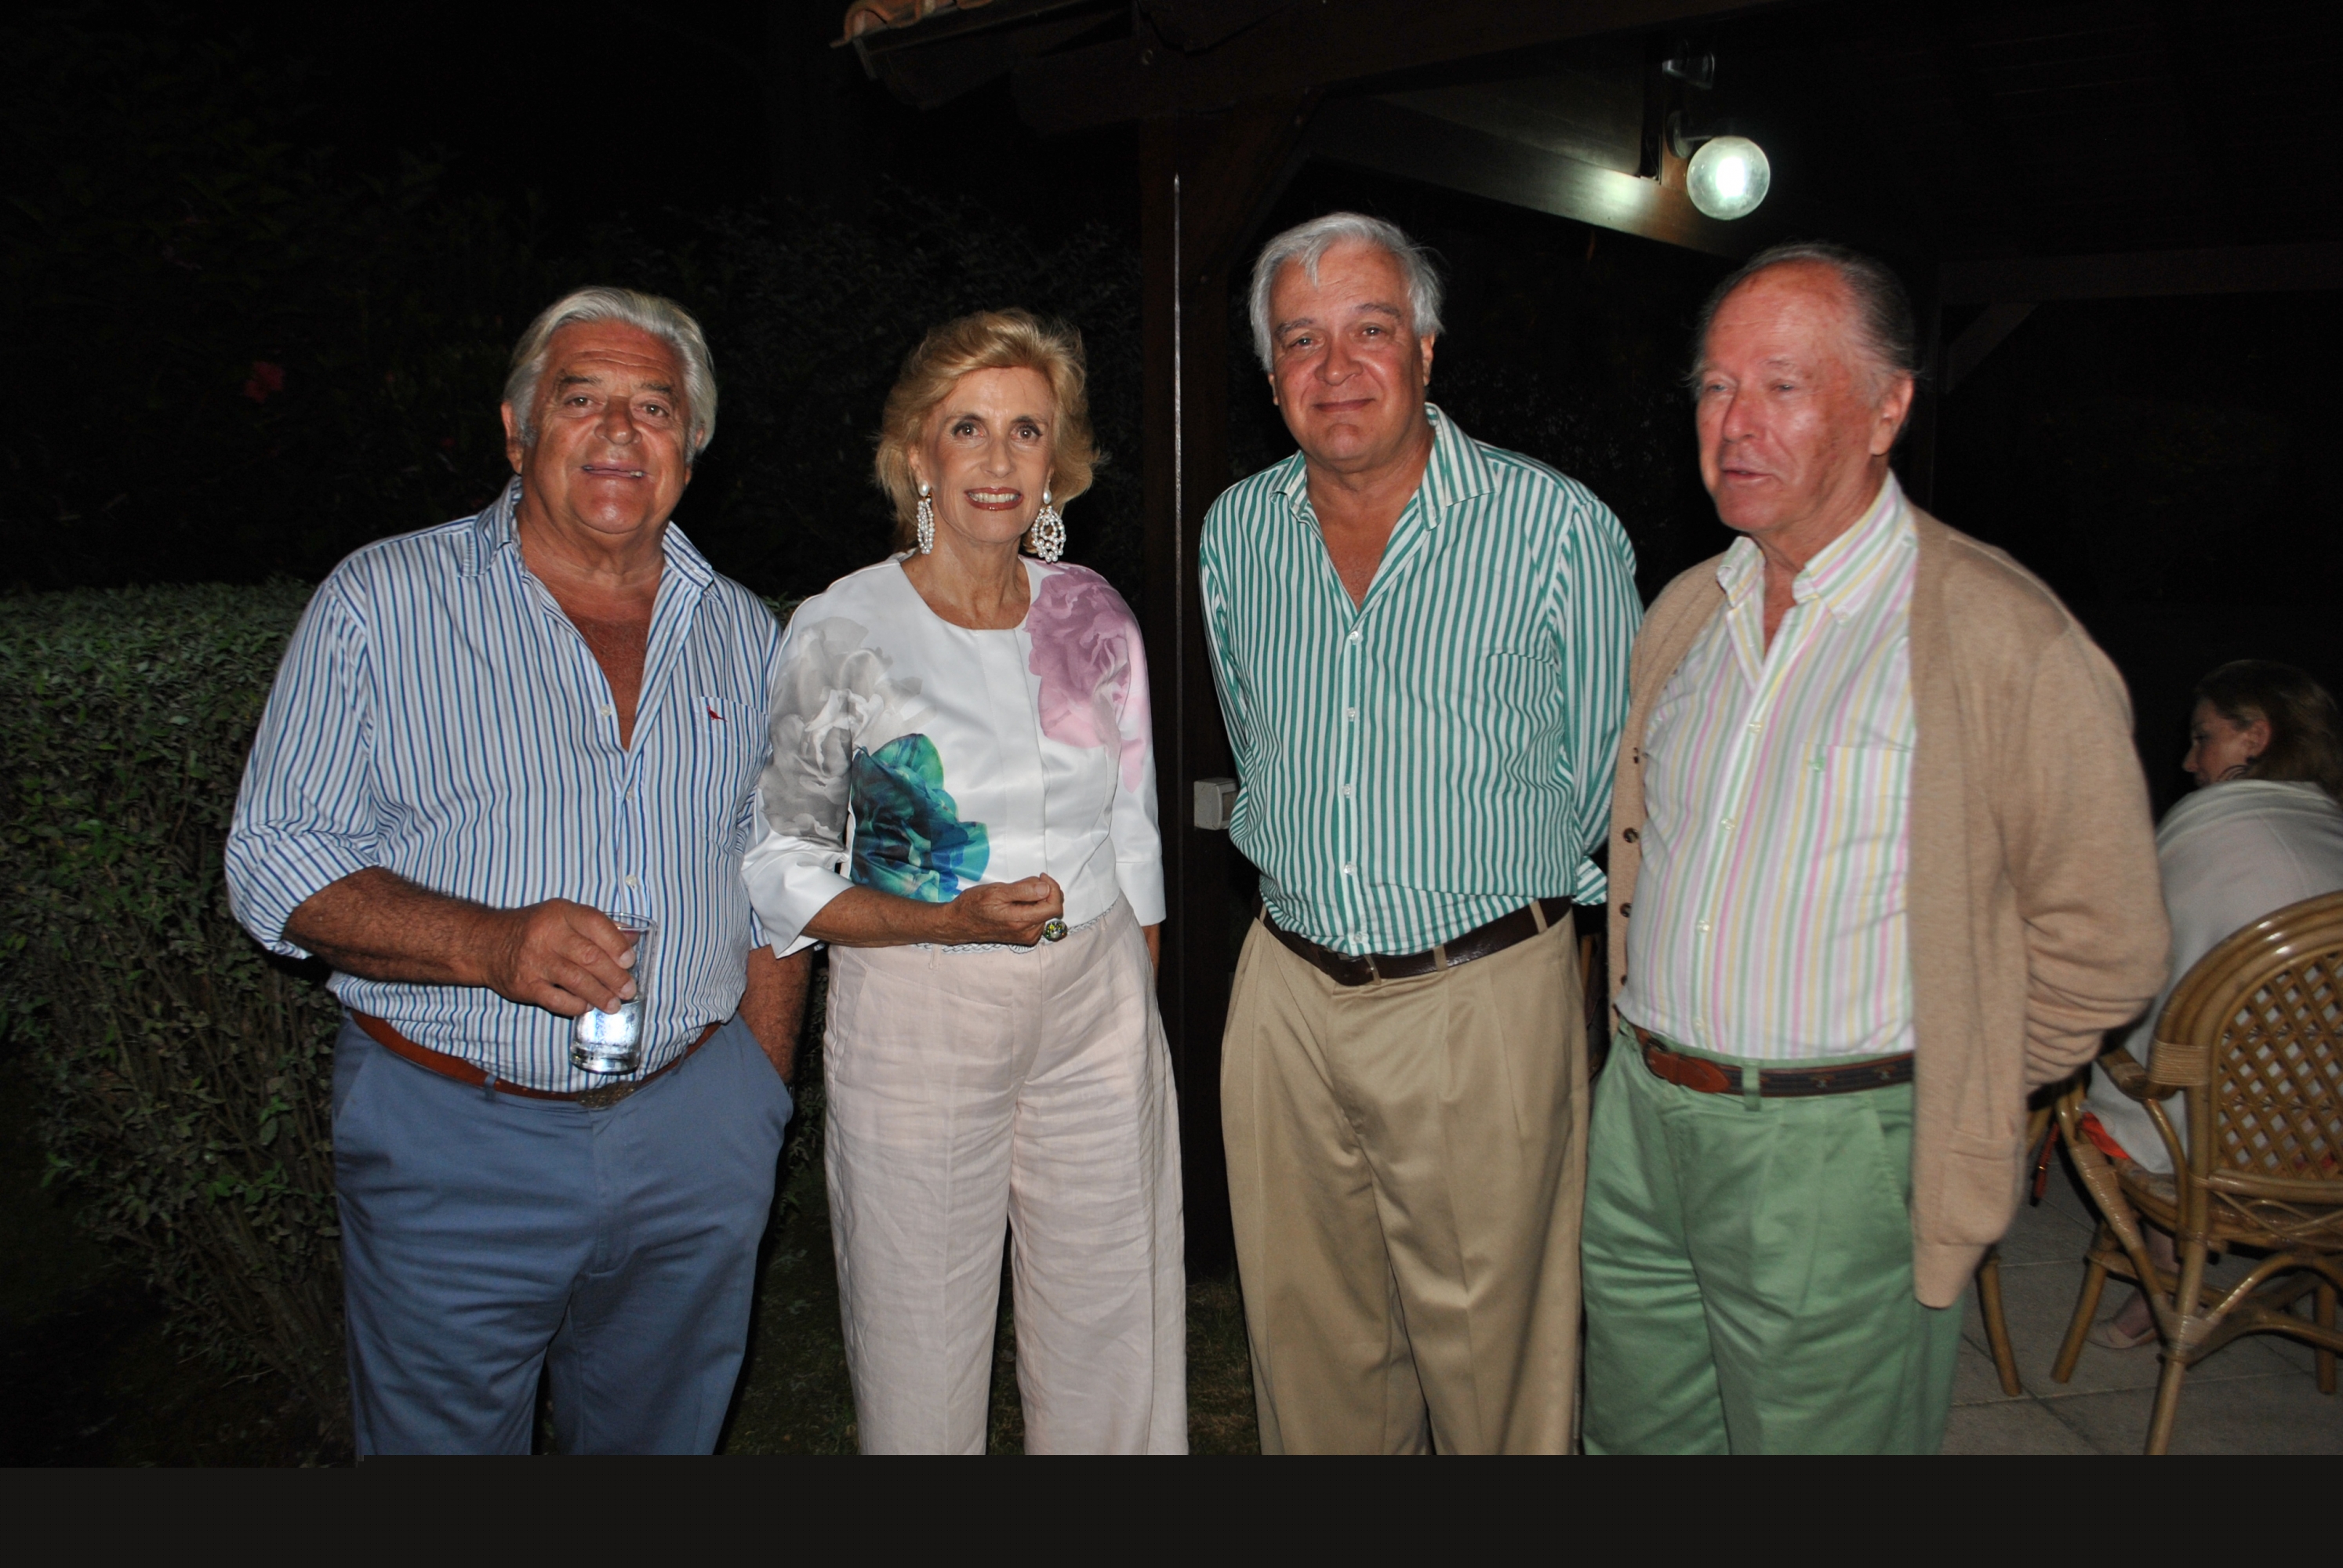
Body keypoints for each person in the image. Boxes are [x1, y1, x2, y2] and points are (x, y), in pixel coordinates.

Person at [1589, 241, 2169, 1454]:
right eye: (1713, 387)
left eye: (1782, 386)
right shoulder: (1690, 611)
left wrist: (1938, 1095)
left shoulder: (2002, 636)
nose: (1734, 423)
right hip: (1644, 1119)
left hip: (1839, 1152)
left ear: (1888, 406)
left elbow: (2107, 945)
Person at [225, 287, 806, 1454]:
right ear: (516, 429)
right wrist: (489, 944)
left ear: (691, 448)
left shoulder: (746, 631)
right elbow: (275, 860)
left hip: (696, 1133)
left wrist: (756, 1090)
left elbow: (775, 873)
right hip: (455, 1135)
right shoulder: (381, 603)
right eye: (579, 398)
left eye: (654, 407)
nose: (617, 433)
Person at [1198, 212, 1641, 1454]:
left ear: (1429, 351)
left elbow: (1608, 782)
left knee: (1501, 1381)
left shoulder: (1556, 532)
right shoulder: (1235, 534)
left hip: (1479, 995)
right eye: (1302, 340)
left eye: (1370, 330)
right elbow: (1257, 734)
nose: (1337, 368)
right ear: (1271, 373)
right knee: (1308, 1356)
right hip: (1284, 991)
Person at [743, 309, 1182, 1454]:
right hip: (919, 999)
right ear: (918, 454)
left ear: (1058, 461)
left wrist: (1129, 1005)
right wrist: (948, 918)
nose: (997, 460)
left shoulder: (1095, 615)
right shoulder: (845, 628)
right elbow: (784, 871)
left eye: (1026, 431)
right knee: (920, 1344)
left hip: (1096, 1006)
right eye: (968, 429)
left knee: (1111, 1327)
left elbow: (1135, 844)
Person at [2083, 659, 2343, 1347]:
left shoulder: (2213, 824)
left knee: (2090, 1075)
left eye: (2204, 739)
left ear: (2255, 737)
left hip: (2224, 1144)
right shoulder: (2331, 828)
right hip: (2327, 1139)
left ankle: (2166, 1278)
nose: (2190, 761)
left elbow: (2133, 964)